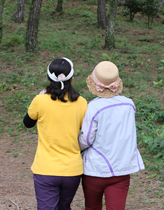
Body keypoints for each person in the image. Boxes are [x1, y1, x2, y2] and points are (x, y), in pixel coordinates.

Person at [23, 57, 88, 210]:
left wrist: (40, 97)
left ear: (48, 77)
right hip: (72, 170)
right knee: (64, 207)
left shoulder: (40, 101)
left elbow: (27, 123)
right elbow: (86, 132)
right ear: (72, 78)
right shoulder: (82, 103)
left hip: (46, 169)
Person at [79, 61, 145, 210]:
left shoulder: (93, 107)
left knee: (92, 207)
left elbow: (86, 139)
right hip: (122, 169)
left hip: (95, 169)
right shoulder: (129, 104)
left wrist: (74, 147)